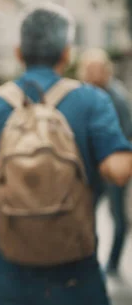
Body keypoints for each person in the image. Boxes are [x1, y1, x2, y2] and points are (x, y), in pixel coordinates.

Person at [0, 4, 132, 305]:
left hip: (14, 272)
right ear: (67, 53)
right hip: (77, 271)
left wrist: (2, 185)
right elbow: (119, 170)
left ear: (18, 52)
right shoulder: (92, 101)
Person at [78, 48, 132, 277]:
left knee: (118, 216)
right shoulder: (85, 95)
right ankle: (90, 259)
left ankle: (112, 263)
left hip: (112, 167)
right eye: (89, 70)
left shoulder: (117, 97)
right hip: (92, 167)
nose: (93, 74)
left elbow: (127, 134)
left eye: (97, 69)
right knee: (85, 213)